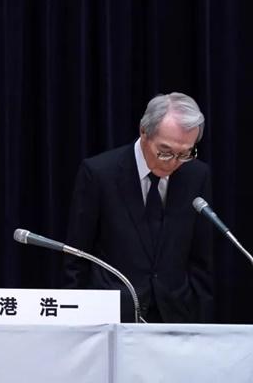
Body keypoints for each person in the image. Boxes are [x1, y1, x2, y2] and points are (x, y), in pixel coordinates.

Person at [63, 92, 214, 323]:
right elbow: (76, 257)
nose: (173, 162)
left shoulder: (196, 175)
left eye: (185, 153)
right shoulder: (100, 174)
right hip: (112, 318)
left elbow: (201, 258)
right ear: (144, 132)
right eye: (165, 151)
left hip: (176, 316)